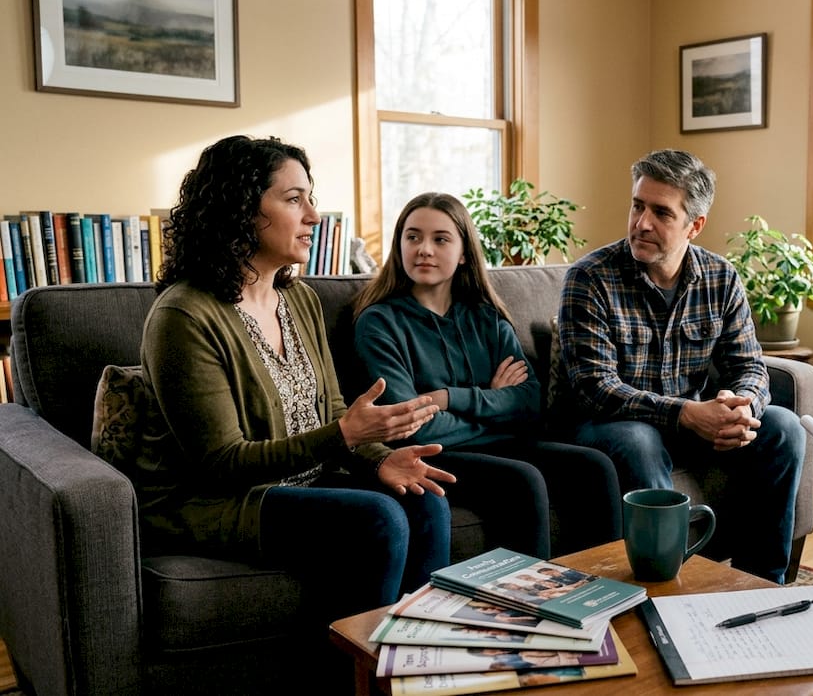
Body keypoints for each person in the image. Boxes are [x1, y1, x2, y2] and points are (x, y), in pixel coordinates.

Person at [139, 136, 455, 639]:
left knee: (424, 498)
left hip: (306, 480)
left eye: (310, 197)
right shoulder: (185, 314)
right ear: (241, 208)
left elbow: (331, 409)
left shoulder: (299, 298)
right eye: (294, 199)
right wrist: (344, 438)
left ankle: (423, 658)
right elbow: (222, 462)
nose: (314, 214)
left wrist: (378, 458)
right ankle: (357, 678)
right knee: (378, 518)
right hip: (220, 498)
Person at [553, 148, 805, 584]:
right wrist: (688, 413)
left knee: (783, 427)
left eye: (661, 213)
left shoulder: (720, 278)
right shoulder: (590, 278)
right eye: (637, 206)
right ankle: (671, 584)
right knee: (638, 439)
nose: (641, 223)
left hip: (686, 425)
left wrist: (743, 404)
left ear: (695, 225)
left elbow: (749, 364)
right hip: (603, 426)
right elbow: (595, 387)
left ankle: (762, 584)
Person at [351, 192, 622, 558]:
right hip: (433, 454)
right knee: (521, 480)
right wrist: (495, 409)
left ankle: (605, 594)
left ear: (463, 252)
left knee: (594, 466)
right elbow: (411, 425)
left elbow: (529, 403)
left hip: (499, 443)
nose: (424, 249)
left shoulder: (486, 317)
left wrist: (448, 398)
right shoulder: (379, 323)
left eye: (440, 239)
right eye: (412, 237)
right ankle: (530, 606)